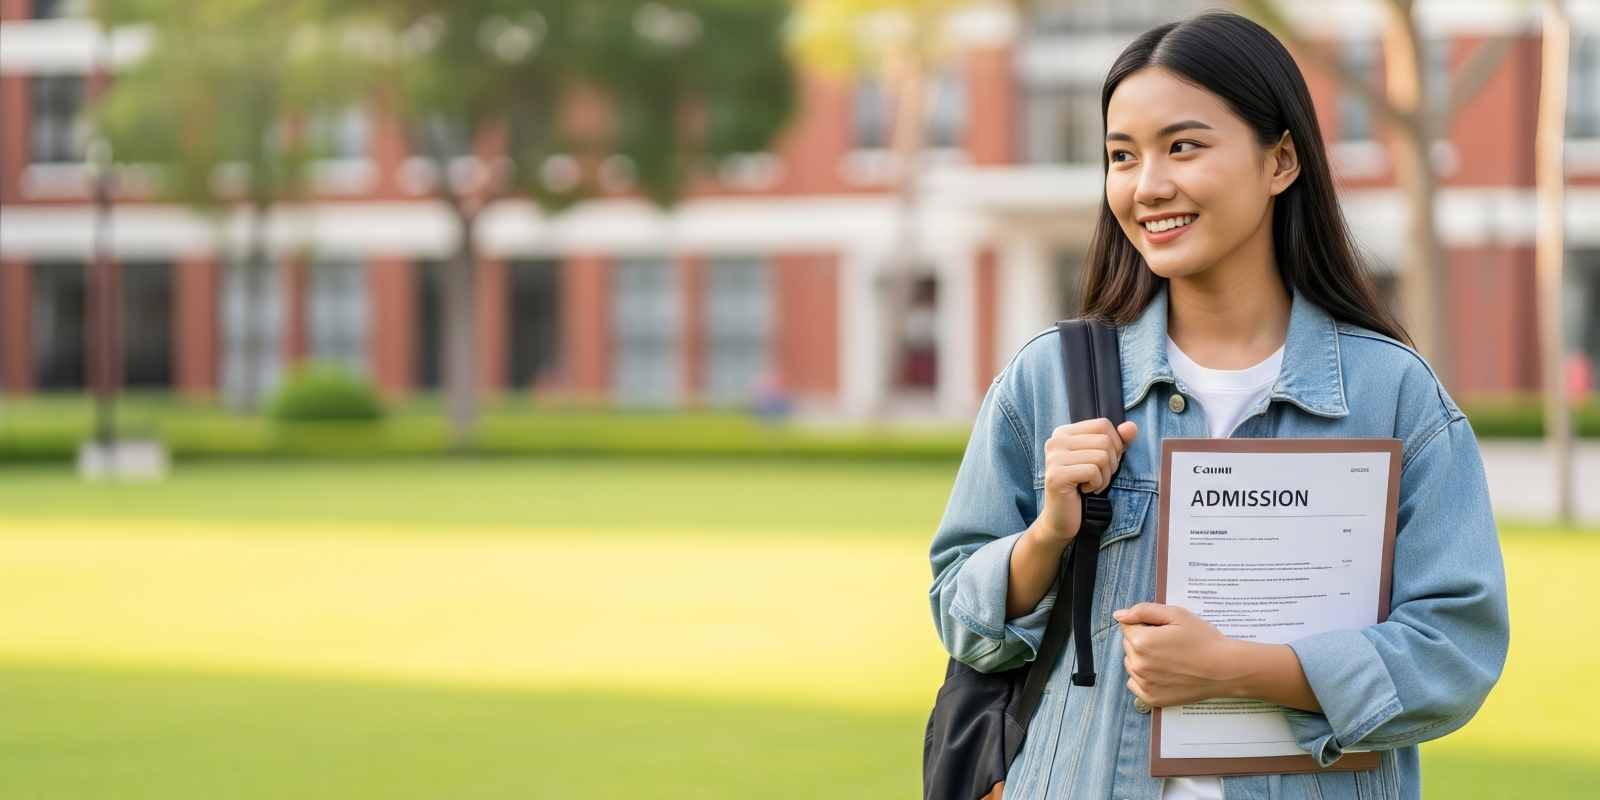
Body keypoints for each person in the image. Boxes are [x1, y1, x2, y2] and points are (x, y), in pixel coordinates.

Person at [926, 11, 1508, 800]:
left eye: (1183, 146)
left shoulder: (1393, 395)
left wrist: (1237, 670)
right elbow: (963, 623)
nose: (1148, 185)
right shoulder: (1048, 380)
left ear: (1280, 160)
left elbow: (1455, 650)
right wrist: (1046, 538)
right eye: (1121, 156)